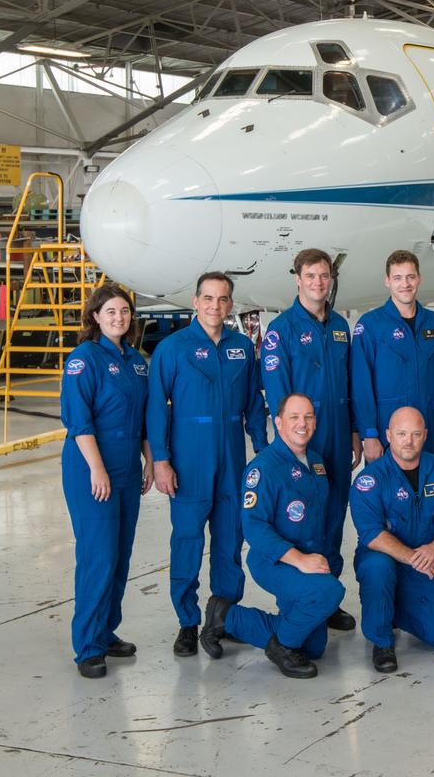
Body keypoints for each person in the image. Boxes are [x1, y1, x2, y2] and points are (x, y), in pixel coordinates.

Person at [147, 272, 267, 657]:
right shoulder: (173, 348)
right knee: (187, 540)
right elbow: (155, 409)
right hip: (189, 459)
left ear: (231, 304)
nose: (215, 306)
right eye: (208, 298)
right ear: (195, 302)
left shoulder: (242, 348)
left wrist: (264, 457)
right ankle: (187, 622)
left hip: (232, 458)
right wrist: (162, 461)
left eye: (223, 299)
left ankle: (223, 615)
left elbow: (254, 406)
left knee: (231, 540)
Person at [200, 394, 346, 678]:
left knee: (313, 647)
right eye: (294, 417)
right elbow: (254, 527)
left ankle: (227, 616)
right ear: (278, 423)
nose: (302, 424)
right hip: (275, 561)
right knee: (330, 592)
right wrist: (300, 560)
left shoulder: (316, 463)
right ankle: (281, 647)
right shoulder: (263, 468)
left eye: (308, 417)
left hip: (306, 562)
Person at [260, 248, 358, 631]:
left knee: (334, 515)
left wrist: (352, 431)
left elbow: (349, 386)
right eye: (311, 276)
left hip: (336, 434)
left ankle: (328, 593)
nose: (318, 282)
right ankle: (299, 597)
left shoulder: (340, 327)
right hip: (302, 439)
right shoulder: (281, 331)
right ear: (297, 280)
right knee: (300, 519)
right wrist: (289, 446)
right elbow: (276, 393)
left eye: (324, 276)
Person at [59, 283, 153, 678]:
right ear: (95, 317)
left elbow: (147, 416)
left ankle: (106, 629)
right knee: (98, 556)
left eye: (124, 311)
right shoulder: (83, 359)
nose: (119, 317)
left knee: (120, 554)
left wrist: (149, 461)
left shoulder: (136, 361)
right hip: (90, 466)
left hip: (129, 467)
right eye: (110, 311)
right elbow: (80, 422)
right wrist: (98, 469)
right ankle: (88, 646)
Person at [349, 407, 434, 672]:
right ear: (388, 435)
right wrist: (416, 558)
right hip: (383, 559)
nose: (409, 441)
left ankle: (392, 607)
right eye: (402, 433)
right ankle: (381, 638)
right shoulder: (369, 480)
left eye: (416, 434)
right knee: (378, 569)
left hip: (423, 559)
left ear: (426, 435)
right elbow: (370, 533)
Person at [350, 250, 434, 461]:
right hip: (387, 432)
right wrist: (369, 434)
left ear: (419, 278)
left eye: (410, 277)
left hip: (428, 427)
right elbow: (361, 385)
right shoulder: (370, 326)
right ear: (387, 281)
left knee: (428, 487)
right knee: (387, 491)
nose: (405, 284)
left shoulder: (432, 323)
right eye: (398, 278)